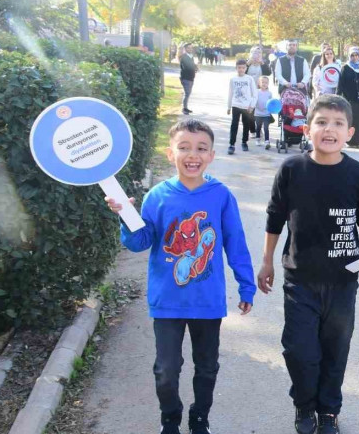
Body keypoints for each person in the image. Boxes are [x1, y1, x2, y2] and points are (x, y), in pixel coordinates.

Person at [257, 95, 359, 434]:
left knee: (336, 348)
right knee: (299, 350)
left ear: (349, 132)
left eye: (337, 124)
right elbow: (275, 218)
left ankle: (328, 411)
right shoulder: (292, 169)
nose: (329, 129)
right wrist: (267, 262)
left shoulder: (358, 174)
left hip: (343, 280)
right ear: (308, 129)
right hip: (300, 279)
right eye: (321, 122)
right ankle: (304, 406)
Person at [105, 119, 256, 434]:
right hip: (168, 302)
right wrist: (125, 217)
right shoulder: (158, 196)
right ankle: (170, 420)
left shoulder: (220, 195)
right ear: (170, 152)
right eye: (184, 147)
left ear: (211, 155)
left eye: (201, 148)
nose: (193, 155)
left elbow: (236, 243)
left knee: (207, 368)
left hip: (207, 302)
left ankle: (200, 418)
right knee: (166, 371)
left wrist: (246, 286)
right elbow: (139, 242)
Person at [226, 59, 258, 155]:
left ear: (246, 68)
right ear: (236, 68)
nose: (241, 69)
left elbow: (254, 93)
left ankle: (244, 142)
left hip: (246, 106)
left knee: (246, 125)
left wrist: (252, 105)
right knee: (234, 125)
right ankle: (232, 144)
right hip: (236, 105)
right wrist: (228, 106)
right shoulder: (233, 79)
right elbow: (230, 93)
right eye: (239, 68)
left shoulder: (249, 79)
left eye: (243, 68)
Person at [254, 76, 274, 149]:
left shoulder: (269, 93)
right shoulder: (257, 92)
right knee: (258, 127)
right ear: (259, 83)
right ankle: (258, 139)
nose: (264, 84)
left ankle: (267, 141)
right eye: (262, 82)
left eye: (266, 82)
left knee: (266, 127)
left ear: (268, 84)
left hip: (266, 114)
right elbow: (254, 100)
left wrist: (272, 109)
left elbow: (271, 103)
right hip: (258, 113)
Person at [179, 43, 198, 115]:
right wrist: (193, 67)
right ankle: (184, 108)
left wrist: (196, 67)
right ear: (186, 49)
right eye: (189, 48)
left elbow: (192, 66)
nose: (190, 49)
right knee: (187, 93)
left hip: (191, 78)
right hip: (185, 78)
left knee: (188, 93)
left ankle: (185, 107)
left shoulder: (191, 57)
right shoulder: (184, 57)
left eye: (191, 48)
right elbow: (187, 67)